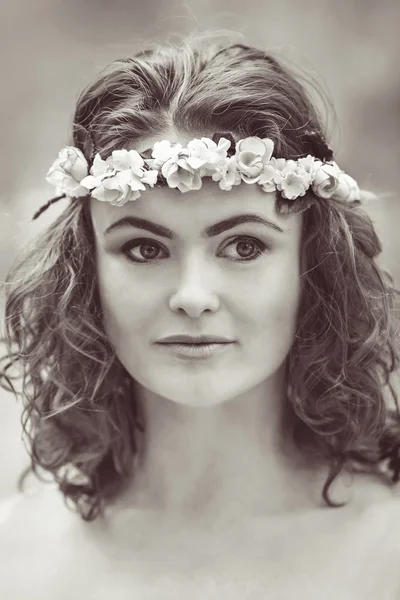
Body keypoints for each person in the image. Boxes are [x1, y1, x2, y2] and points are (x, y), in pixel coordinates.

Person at [1, 33, 400, 598]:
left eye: (243, 247)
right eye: (145, 249)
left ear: (314, 266)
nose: (192, 295)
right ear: (86, 274)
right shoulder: (15, 555)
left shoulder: (391, 550)